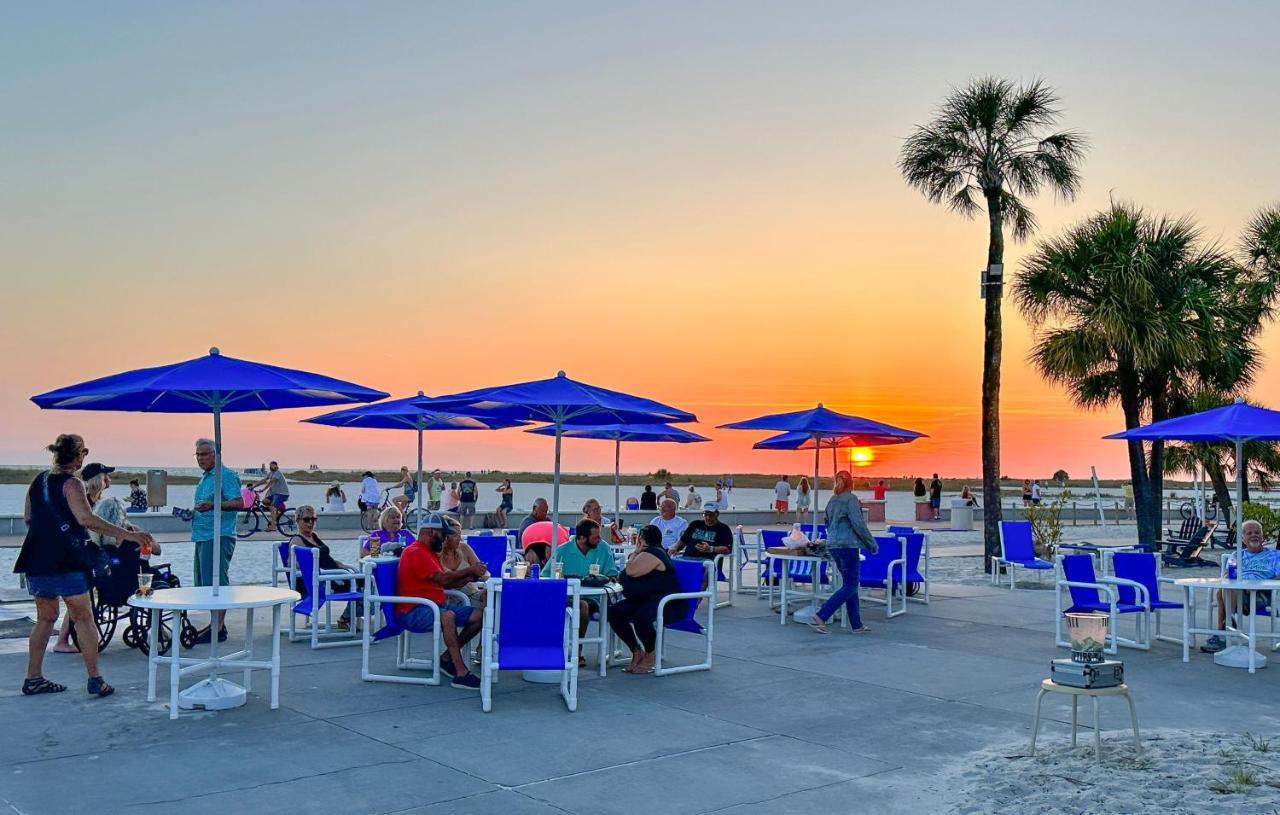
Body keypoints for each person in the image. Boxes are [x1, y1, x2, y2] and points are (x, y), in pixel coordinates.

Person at [16, 434, 155, 697]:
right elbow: (87, 519)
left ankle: (33, 677)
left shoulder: (39, 481)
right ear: (78, 455)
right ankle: (95, 679)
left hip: (36, 557)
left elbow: (28, 518)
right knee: (83, 617)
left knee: (45, 618)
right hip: (67, 559)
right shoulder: (73, 484)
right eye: (84, 452)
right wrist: (130, 535)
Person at [395, 514, 484, 689]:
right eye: (443, 534)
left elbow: (445, 582)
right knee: (447, 616)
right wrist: (467, 571)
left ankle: (446, 658)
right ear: (430, 532)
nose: (444, 538)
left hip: (434, 606)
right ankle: (460, 673)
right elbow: (442, 579)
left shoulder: (429, 552)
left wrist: (468, 577)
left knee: (479, 616)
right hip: (413, 610)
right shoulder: (416, 552)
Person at [610, 524, 688, 674]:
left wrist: (636, 551)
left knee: (641, 617)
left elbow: (631, 570)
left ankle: (650, 654)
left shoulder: (653, 552)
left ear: (641, 539)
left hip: (668, 603)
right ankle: (636, 650)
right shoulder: (648, 553)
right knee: (615, 612)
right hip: (645, 599)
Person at [808, 470, 876, 635]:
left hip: (833, 546)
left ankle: (856, 624)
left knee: (849, 584)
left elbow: (827, 522)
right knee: (851, 585)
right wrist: (871, 544)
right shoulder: (851, 499)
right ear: (851, 483)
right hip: (848, 546)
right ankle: (821, 615)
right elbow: (859, 524)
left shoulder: (832, 500)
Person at [191, 438, 245, 643]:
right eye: (198, 454)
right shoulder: (205, 478)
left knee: (216, 581)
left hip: (219, 535)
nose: (201, 458)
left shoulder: (226, 476)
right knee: (205, 583)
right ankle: (215, 625)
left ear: (216, 454)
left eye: (205, 454)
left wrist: (214, 505)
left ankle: (218, 627)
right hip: (203, 534)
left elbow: (240, 503)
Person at [1203, 520, 1277, 653]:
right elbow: (1227, 576)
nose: (1254, 535)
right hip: (1238, 592)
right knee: (1224, 590)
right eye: (1249, 533)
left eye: (1257, 533)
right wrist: (1230, 579)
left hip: (1262, 593)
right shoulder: (1237, 555)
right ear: (1243, 538)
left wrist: (1256, 584)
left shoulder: (1275, 556)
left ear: (1262, 536)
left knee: (1222, 593)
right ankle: (1227, 628)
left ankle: (1224, 632)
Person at [556, 519, 619, 666]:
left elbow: (611, 573)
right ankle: (551, 647)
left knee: (583, 605)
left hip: (594, 598)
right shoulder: (562, 550)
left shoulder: (603, 548)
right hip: (566, 595)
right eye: (595, 537)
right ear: (582, 538)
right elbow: (547, 575)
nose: (600, 540)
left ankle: (577, 650)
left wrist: (609, 578)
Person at [289, 505, 359, 628]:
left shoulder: (313, 536)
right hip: (321, 581)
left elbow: (324, 556)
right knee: (363, 585)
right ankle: (347, 618)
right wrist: (314, 568)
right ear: (298, 520)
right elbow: (292, 562)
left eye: (313, 519)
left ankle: (348, 617)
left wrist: (339, 564)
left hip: (332, 575)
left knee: (365, 582)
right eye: (306, 519)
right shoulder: (297, 540)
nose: (310, 522)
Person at [438, 517, 488, 646]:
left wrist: (485, 577)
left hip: (472, 594)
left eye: (460, 534)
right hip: (450, 597)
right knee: (487, 611)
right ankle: (453, 651)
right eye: (455, 534)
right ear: (444, 536)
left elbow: (483, 571)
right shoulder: (437, 555)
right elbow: (445, 579)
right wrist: (469, 573)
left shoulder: (464, 548)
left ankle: (481, 648)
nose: (459, 538)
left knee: (494, 598)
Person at [250, 461, 290, 532]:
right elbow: (264, 480)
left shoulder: (278, 473)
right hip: (275, 494)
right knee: (264, 501)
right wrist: (253, 486)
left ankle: (273, 526)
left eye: (273, 466)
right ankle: (276, 513)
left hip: (282, 494)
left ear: (276, 466)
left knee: (272, 507)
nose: (271, 467)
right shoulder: (271, 473)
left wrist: (263, 489)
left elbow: (271, 482)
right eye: (270, 466)